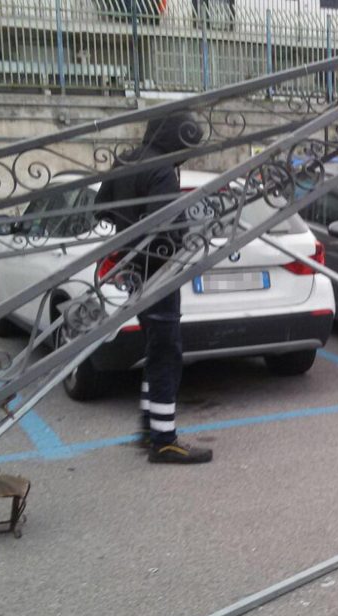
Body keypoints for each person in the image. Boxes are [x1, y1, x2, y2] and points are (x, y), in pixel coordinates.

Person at [95, 110, 213, 464]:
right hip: (157, 273)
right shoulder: (161, 169)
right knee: (166, 351)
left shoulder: (128, 160)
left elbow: (101, 208)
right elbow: (161, 226)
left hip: (133, 271)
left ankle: (149, 426)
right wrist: (182, 238)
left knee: (155, 346)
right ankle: (164, 440)